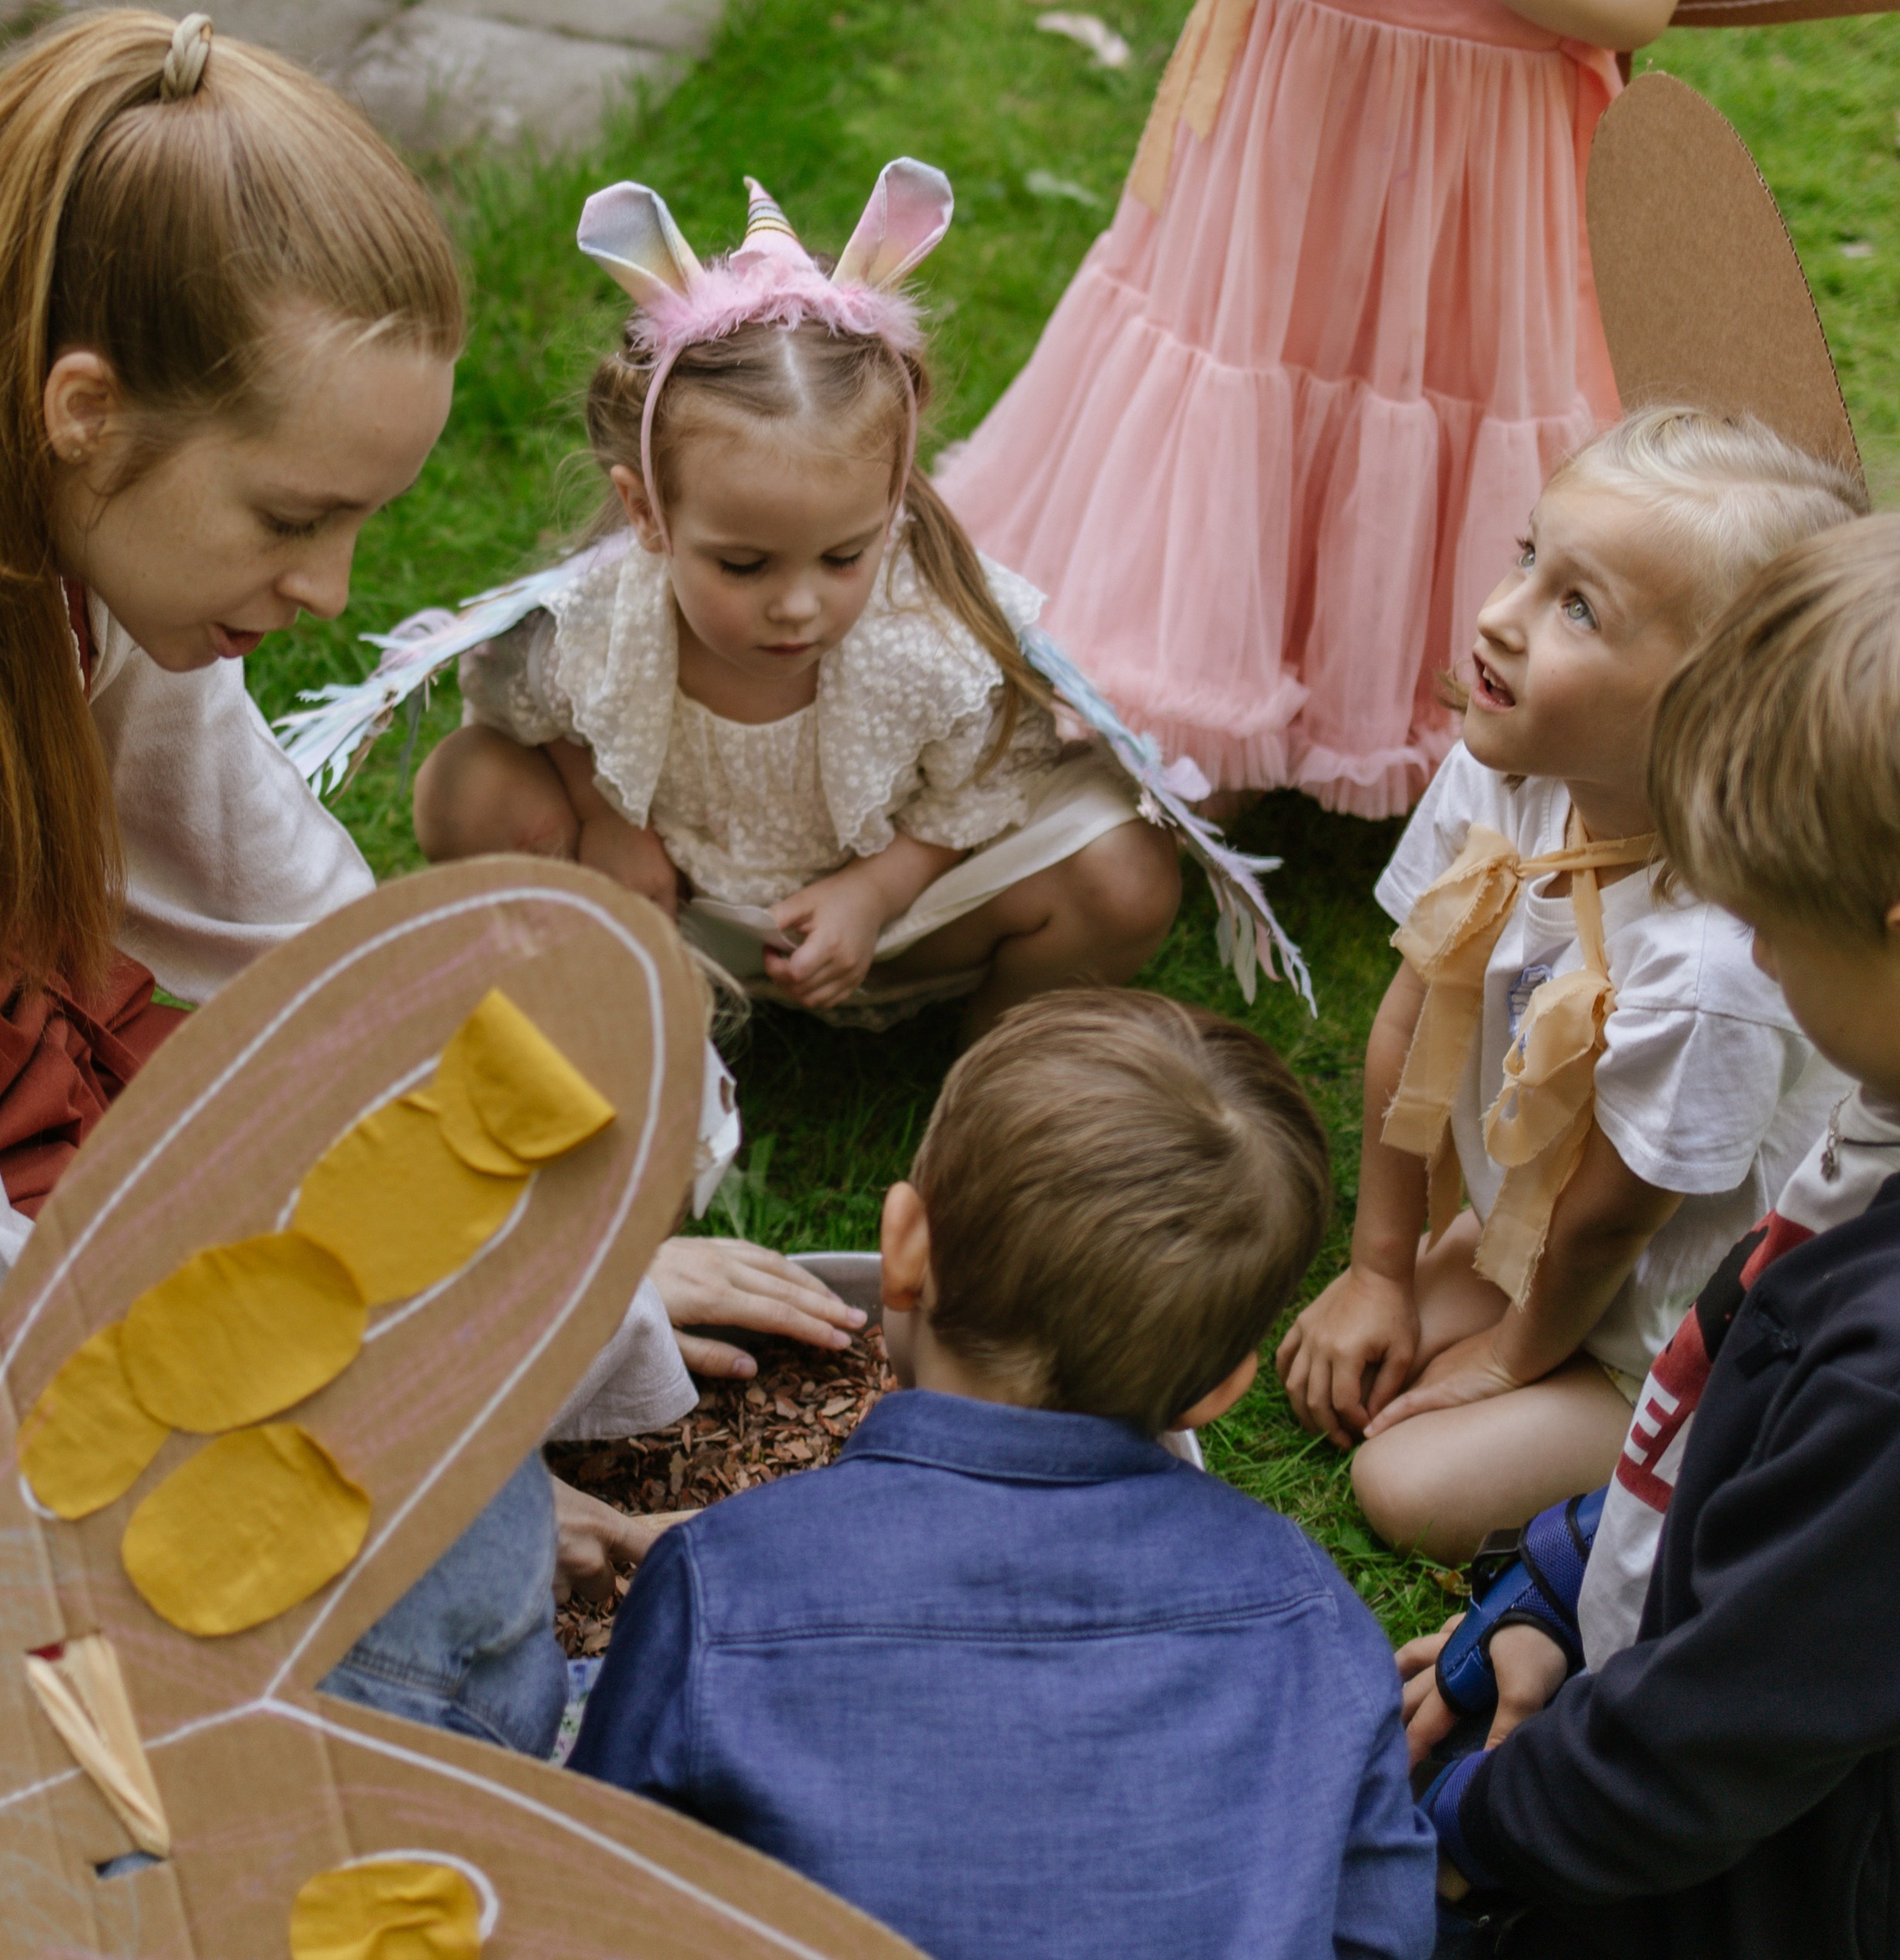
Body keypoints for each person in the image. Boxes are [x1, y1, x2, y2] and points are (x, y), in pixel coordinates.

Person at [0, 7, 850, 1761]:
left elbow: (312, 938)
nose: (332, 588)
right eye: (289, 519)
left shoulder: (39, 468)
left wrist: (591, 1229)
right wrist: (417, 1462)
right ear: (84, 411)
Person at [573, 989, 1436, 1960]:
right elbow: (1382, 1931)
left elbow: (587, 1893)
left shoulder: (717, 1583)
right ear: (1219, 1390)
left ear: (903, 1246)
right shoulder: (1315, 1617)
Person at [936, 0, 1739, 818]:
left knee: (1414, 383)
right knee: (1246, 370)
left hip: (1466, 151)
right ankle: (1205, 693)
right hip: (1292, 100)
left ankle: (1383, 696)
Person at [1408, 513, 1900, 1960]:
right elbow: (1737, 1447)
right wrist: (1570, 1579)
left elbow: (1702, 1749)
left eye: (1777, 923)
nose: (1755, 952)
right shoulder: (1884, 1116)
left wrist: (1470, 1837)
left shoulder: (1885, 1379)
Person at [412, 163, 1184, 1032]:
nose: (797, 607)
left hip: (891, 922)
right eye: (744, 565)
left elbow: (981, 782)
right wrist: (606, 822)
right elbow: (524, 707)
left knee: (1125, 875)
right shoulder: (603, 617)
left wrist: (874, 891)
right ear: (647, 513)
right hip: (668, 902)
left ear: (891, 501)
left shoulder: (926, 635)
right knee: (462, 786)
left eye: (844, 556)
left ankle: (997, 1061)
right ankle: (612, 999)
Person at [1277, 410, 1856, 1562]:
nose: (1501, 615)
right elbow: (1412, 1017)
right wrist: (1378, 1269)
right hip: (1528, 1235)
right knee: (1350, 1361)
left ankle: (1694, 1464)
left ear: (1710, 707)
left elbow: (1614, 1219)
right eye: (1530, 556)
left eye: (1578, 607)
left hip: (1670, 1322)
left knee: (1404, 1483)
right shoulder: (1510, 770)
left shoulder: (1712, 960)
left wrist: (1507, 1362)